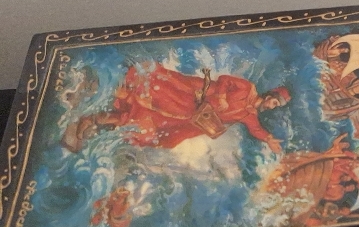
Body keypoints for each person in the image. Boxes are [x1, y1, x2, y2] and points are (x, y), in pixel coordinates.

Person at [62, 65, 290, 153]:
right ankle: (97, 88)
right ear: (270, 95)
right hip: (193, 95)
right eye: (274, 102)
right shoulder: (248, 88)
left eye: (275, 106)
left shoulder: (249, 114)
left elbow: (255, 129)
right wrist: (221, 96)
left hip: (191, 117)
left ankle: (95, 120)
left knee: (155, 126)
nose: (272, 107)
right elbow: (225, 80)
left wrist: (268, 138)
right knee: (157, 94)